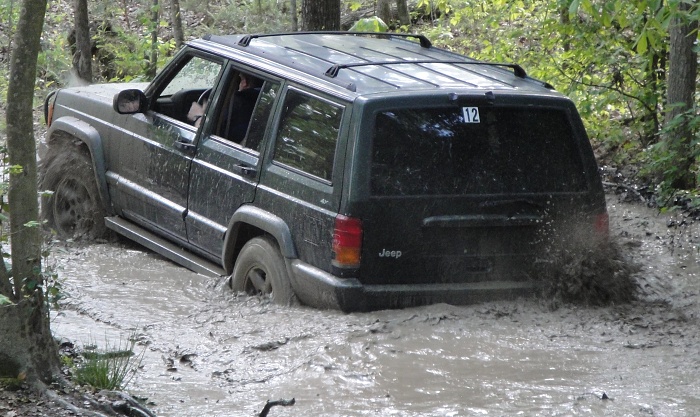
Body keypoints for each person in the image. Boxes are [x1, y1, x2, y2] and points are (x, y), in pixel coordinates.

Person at [222, 73, 262, 143]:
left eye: (240, 80)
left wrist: (198, 117)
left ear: (244, 83)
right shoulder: (264, 103)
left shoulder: (234, 102)